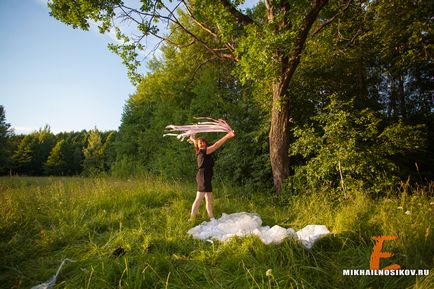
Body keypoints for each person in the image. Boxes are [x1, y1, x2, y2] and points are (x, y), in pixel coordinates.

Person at [189, 131, 235, 220]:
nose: (202, 144)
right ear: (198, 146)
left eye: (203, 142)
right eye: (200, 143)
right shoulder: (202, 152)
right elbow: (216, 145)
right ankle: (192, 218)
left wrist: (192, 138)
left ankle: (211, 218)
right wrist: (227, 136)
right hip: (202, 177)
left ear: (205, 143)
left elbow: (195, 142)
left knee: (209, 199)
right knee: (198, 199)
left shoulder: (203, 151)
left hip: (207, 177)